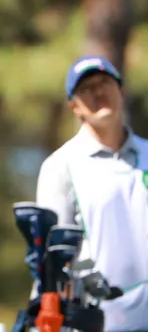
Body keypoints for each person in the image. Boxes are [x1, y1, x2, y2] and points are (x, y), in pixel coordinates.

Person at [36, 55, 148, 331]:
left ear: (121, 91)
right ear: (74, 106)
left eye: (105, 83)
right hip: (98, 322)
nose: (98, 93)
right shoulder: (60, 166)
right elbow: (52, 259)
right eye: (86, 88)